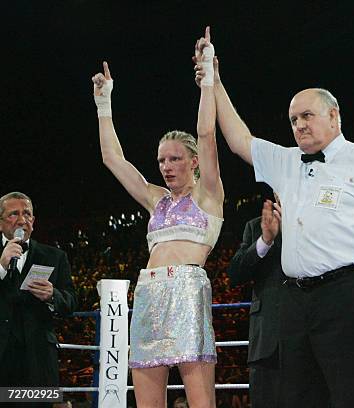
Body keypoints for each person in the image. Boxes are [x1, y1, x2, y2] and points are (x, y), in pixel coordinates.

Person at [194, 29, 354, 407]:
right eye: (293, 119)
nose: (299, 124)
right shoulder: (285, 161)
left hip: (351, 296)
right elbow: (238, 139)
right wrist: (213, 79)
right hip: (294, 301)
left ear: (334, 116)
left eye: (307, 115)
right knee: (299, 399)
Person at [92, 26, 223, 408]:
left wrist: (208, 80)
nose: (166, 166)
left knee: (201, 403)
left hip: (186, 290)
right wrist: (104, 105)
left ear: (194, 161)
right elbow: (113, 160)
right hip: (148, 291)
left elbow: (207, 132)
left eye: (175, 158)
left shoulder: (209, 197)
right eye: (162, 160)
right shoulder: (156, 201)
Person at [0, 192, 78, 400]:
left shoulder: (55, 256)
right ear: (0, 223)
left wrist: (53, 295)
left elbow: (70, 302)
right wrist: (1, 267)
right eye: (13, 214)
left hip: (38, 360)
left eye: (27, 214)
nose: (22, 219)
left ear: (33, 221)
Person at [227, 199, 283, 407]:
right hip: (268, 339)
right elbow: (235, 274)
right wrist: (265, 241)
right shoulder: (255, 226)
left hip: (313, 334)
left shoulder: (320, 222)